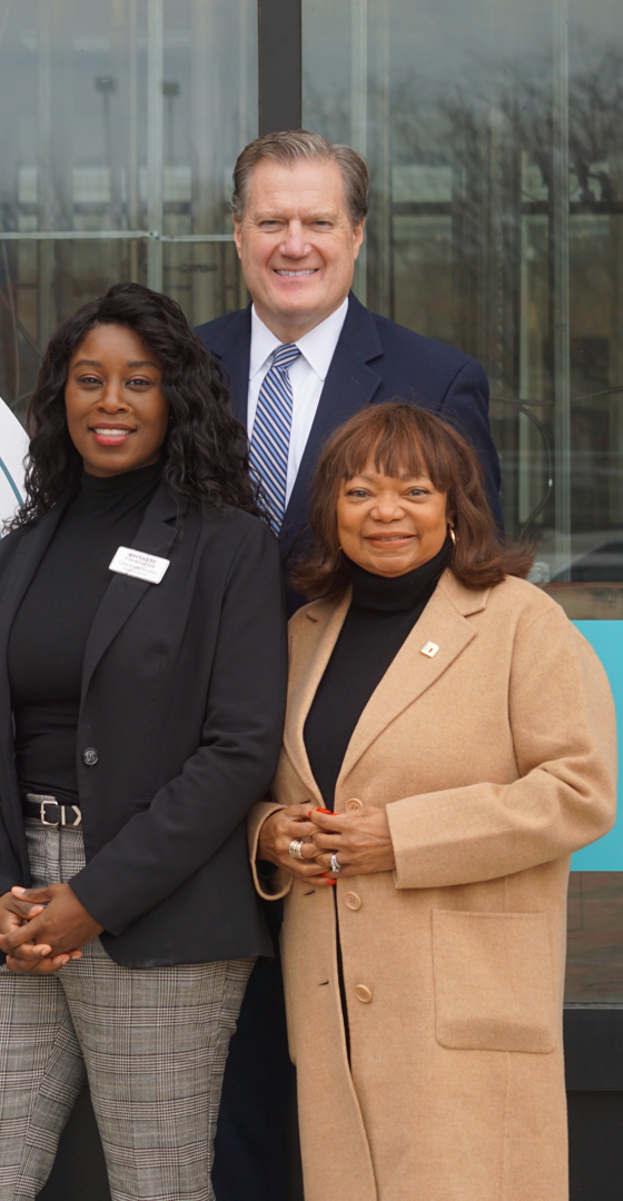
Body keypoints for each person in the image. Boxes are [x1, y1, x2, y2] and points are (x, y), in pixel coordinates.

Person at [197, 129, 505, 1200]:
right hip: (209, 810)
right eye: (271, 221)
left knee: (373, 1103)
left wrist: (408, 817)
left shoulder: (433, 378)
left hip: (360, 817)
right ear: (236, 234)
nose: (294, 244)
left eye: (317, 221)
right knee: (230, 1096)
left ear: (358, 236)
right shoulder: (177, 376)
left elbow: (469, 597)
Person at [0, 282, 287, 1200]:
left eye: (139, 380)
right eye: (89, 380)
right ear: (61, 398)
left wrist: (94, 896)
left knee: (158, 1185)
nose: (111, 401)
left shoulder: (230, 547)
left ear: (178, 397)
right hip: (16, 906)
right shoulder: (16, 554)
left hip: (155, 911)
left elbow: (239, 750)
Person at [250, 402, 614, 1201]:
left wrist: (403, 837)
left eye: (414, 490)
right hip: (334, 1011)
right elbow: (266, 786)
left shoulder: (524, 621)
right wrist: (273, 832)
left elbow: (580, 791)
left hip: (466, 1015)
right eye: (360, 492)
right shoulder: (303, 633)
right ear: (330, 512)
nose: (386, 512)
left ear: (455, 507)